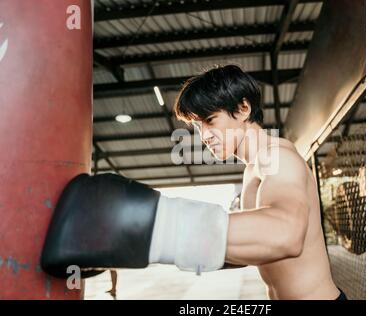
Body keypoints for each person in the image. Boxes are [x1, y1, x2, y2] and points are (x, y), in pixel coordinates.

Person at [40, 65, 346, 300]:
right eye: (197, 128)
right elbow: (259, 250)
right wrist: (164, 250)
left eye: (210, 121)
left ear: (242, 109)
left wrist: (154, 228)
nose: (204, 137)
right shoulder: (252, 169)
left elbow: (285, 234)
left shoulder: (278, 157)